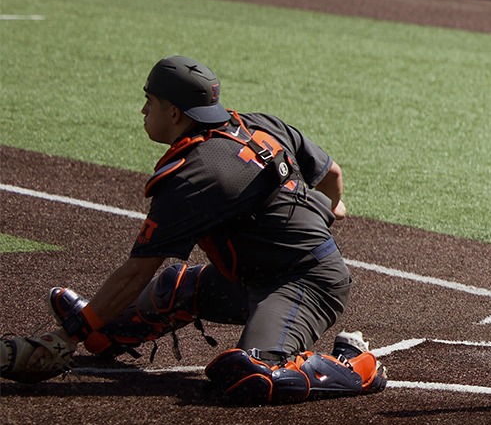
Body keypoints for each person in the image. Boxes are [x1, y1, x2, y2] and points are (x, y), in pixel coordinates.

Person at [0, 57, 387, 404]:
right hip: (251, 277)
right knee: (176, 287)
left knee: (253, 376)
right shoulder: (258, 124)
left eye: (149, 101)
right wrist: (333, 206)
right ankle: (105, 331)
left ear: (173, 112)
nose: (143, 110)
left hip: (306, 282)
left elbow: (136, 272)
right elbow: (331, 173)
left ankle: (357, 364)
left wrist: (65, 337)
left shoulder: (196, 175)